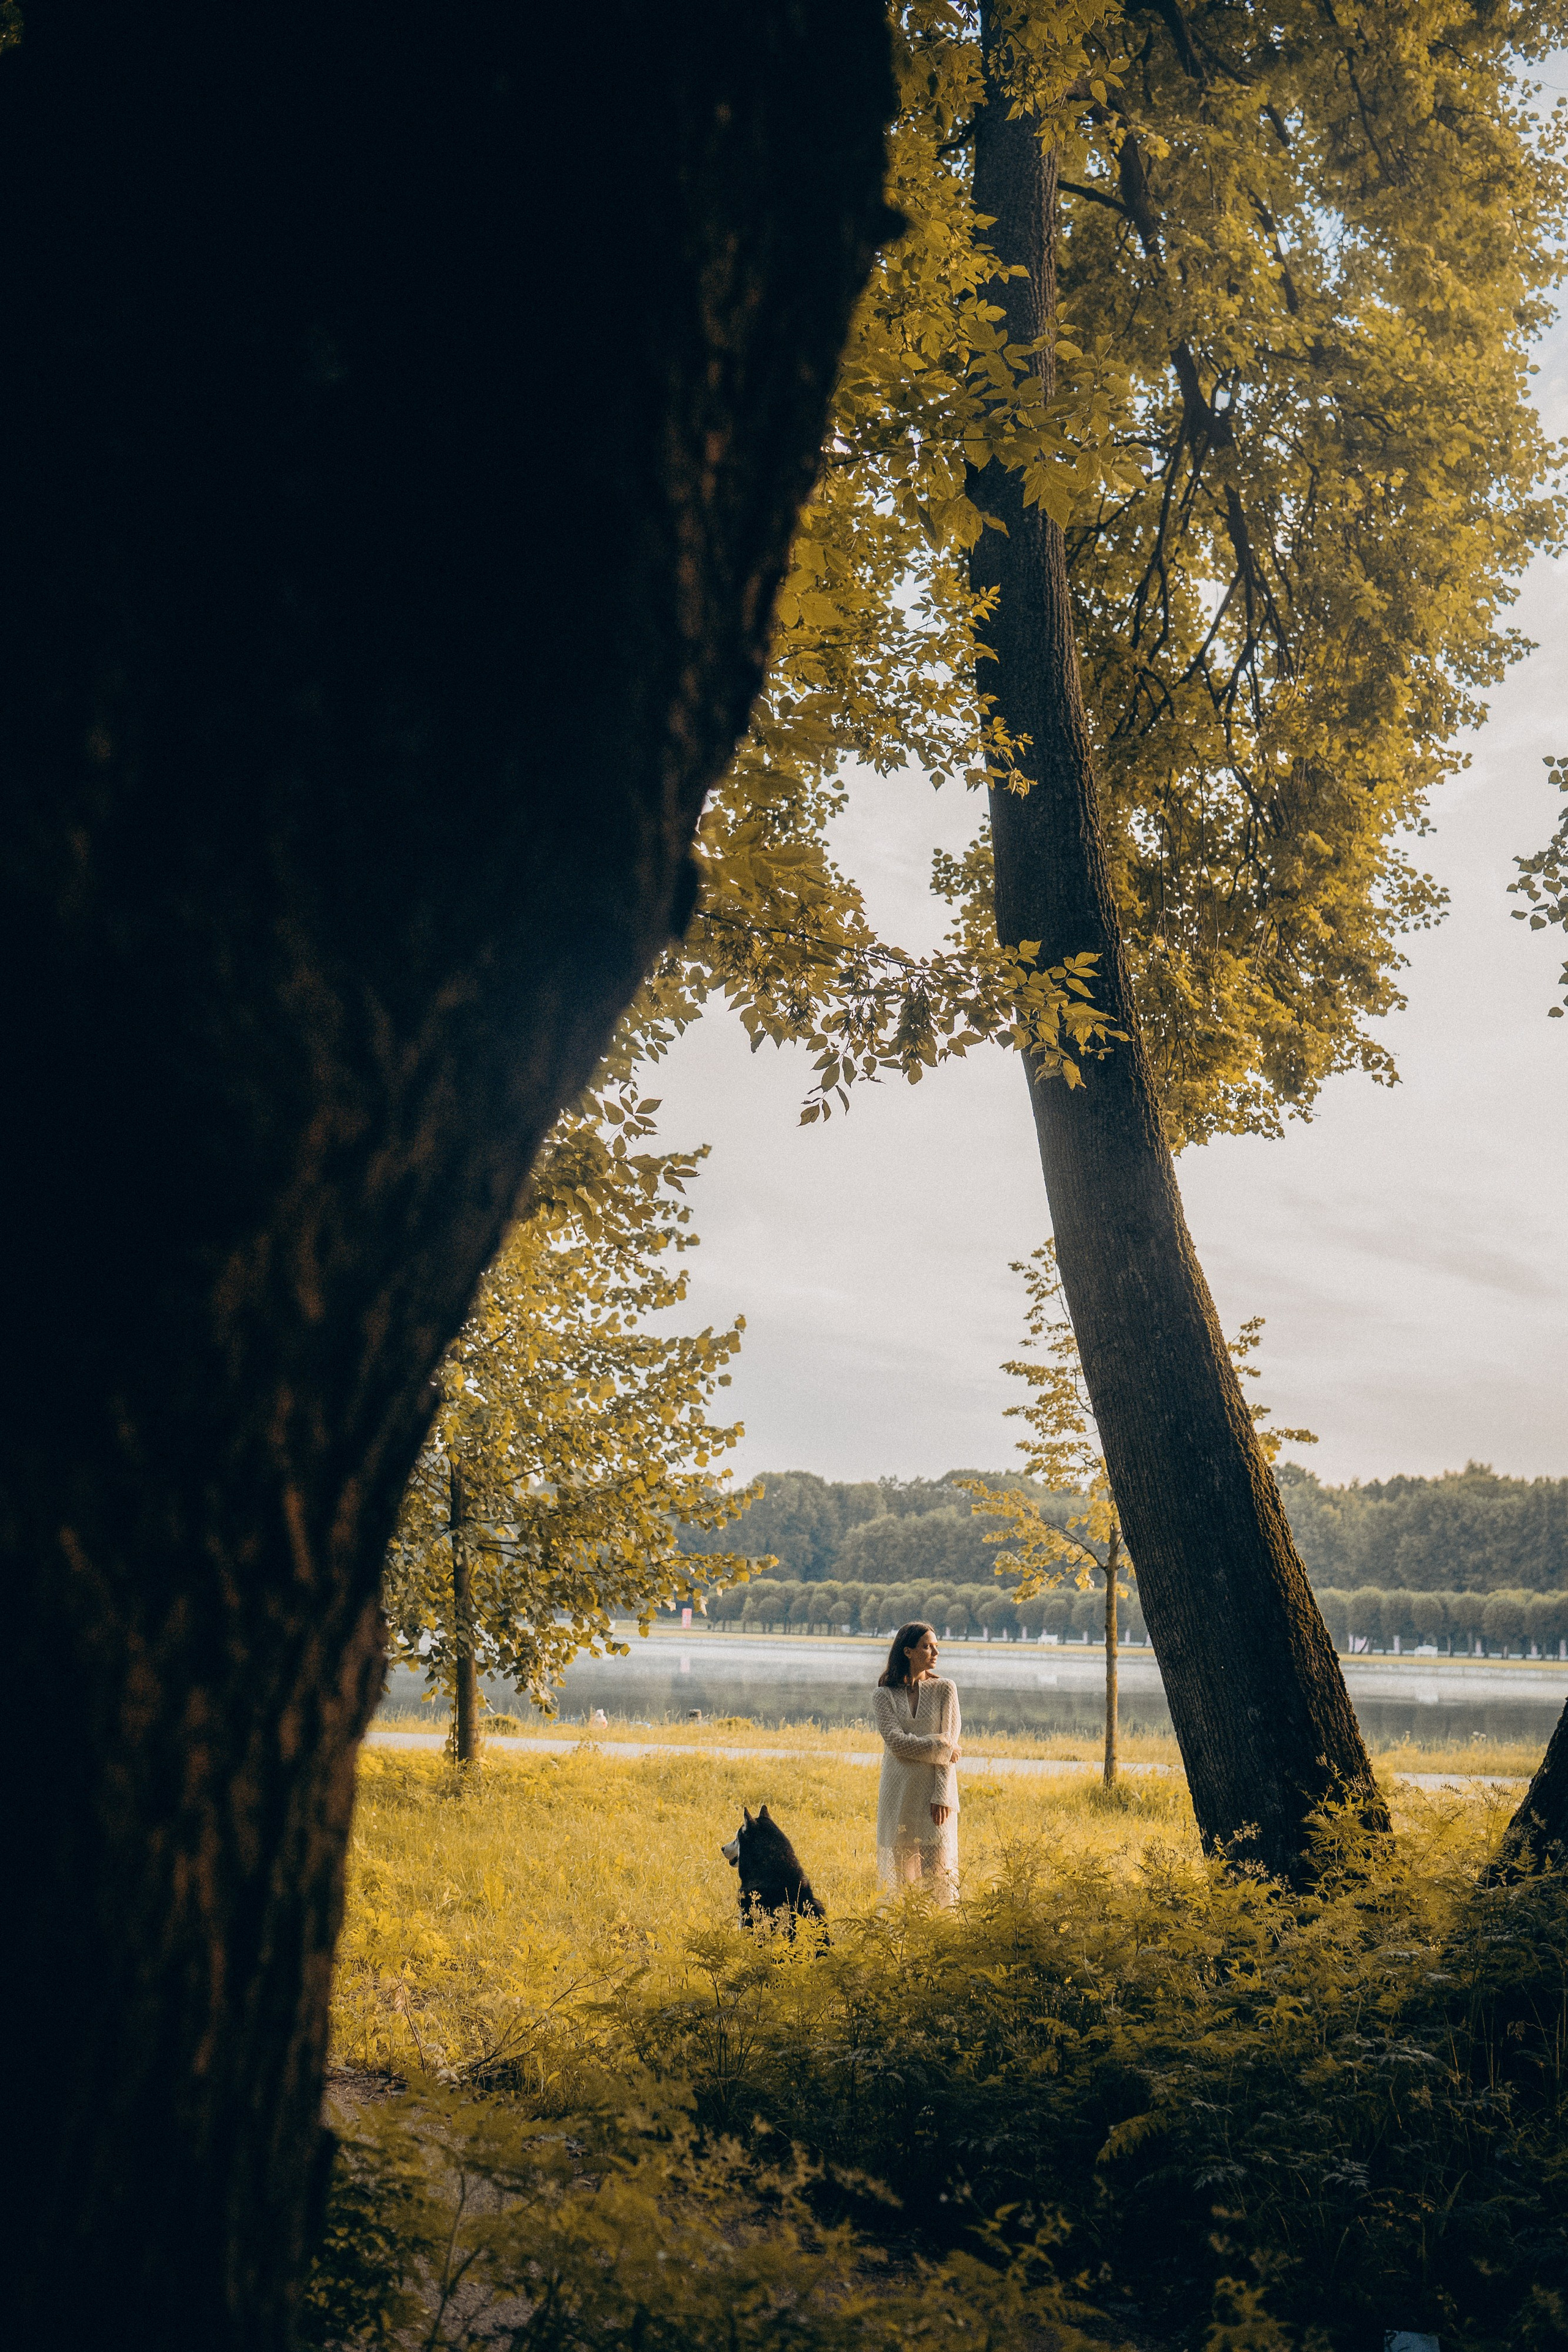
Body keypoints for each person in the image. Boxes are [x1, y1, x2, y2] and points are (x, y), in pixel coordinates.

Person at [872, 1621, 960, 1904]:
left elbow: (947, 1759)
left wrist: (941, 1794)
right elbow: (896, 1743)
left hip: (936, 1795)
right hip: (898, 1794)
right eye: (927, 1646)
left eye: (936, 1646)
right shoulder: (883, 1695)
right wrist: (943, 1745)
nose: (935, 1652)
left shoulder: (945, 1689)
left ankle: (941, 1935)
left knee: (937, 1875)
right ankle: (907, 1937)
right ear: (908, 1651)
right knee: (905, 1881)